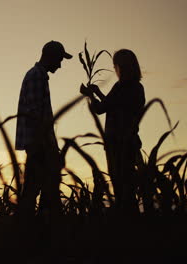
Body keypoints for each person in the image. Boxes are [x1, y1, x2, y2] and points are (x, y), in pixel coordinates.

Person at [80, 49, 145, 214]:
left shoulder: (121, 87)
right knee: (128, 185)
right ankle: (133, 223)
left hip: (116, 144)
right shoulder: (137, 88)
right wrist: (97, 93)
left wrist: (90, 96)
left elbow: (102, 108)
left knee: (121, 186)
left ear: (121, 67)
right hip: (129, 142)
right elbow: (112, 104)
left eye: (115, 65)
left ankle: (126, 224)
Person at [15, 40, 72, 223]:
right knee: (35, 188)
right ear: (51, 56)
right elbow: (35, 114)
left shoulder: (38, 76)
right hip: (38, 144)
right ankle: (27, 228)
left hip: (39, 143)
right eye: (59, 60)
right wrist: (47, 145)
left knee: (43, 187)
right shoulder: (36, 76)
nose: (60, 65)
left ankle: (36, 226)